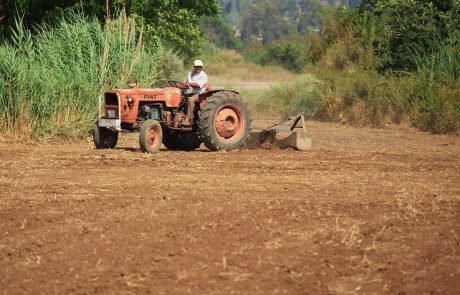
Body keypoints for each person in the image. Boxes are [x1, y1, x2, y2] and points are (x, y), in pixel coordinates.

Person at [181, 59, 208, 126]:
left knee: (191, 99)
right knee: (180, 99)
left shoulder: (203, 75)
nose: (198, 68)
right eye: (197, 66)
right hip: (189, 92)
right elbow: (184, 82)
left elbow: (198, 86)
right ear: (194, 66)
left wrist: (187, 84)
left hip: (199, 93)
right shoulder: (190, 73)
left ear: (202, 67)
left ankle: (188, 120)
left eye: (200, 67)